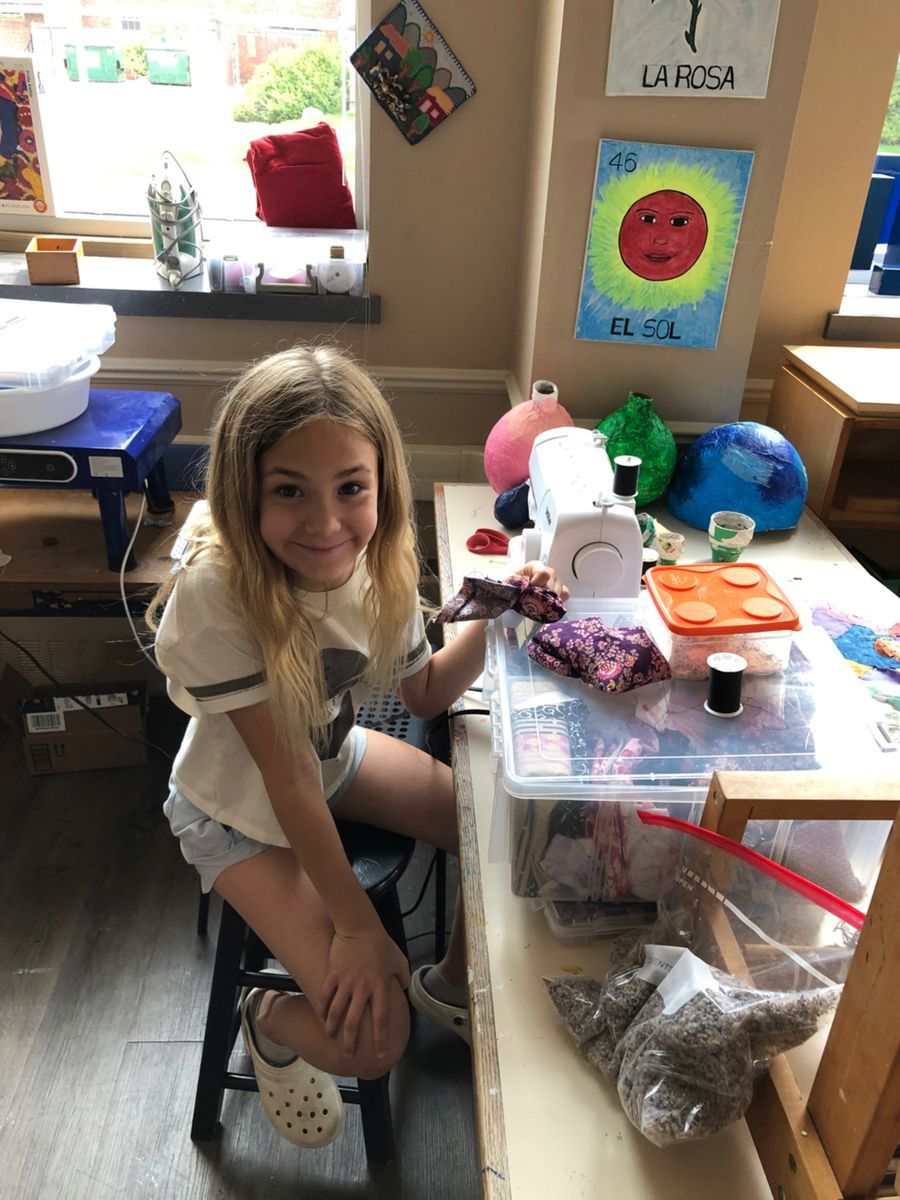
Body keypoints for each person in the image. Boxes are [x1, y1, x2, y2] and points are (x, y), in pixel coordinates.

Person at [147, 345, 567, 1149]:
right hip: (236, 814)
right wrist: (355, 928)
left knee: (503, 834)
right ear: (245, 491)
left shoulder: (380, 564)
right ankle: (265, 1016)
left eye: (351, 489)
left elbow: (425, 694)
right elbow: (285, 780)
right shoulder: (216, 595)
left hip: (331, 761)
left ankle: (445, 983)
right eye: (289, 491)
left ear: (381, 482)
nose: (327, 522)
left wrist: (503, 614)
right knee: (371, 1044)